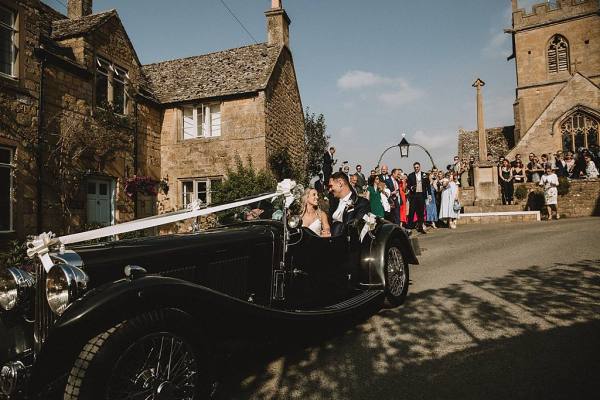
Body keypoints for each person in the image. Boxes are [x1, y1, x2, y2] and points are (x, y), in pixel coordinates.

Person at [407, 162, 430, 233]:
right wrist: (411, 187)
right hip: (414, 195)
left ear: (420, 167)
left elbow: (428, 185)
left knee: (421, 212)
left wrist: (429, 194)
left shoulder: (424, 174)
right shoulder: (410, 175)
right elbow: (408, 185)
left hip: (421, 195)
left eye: (417, 167)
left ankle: (422, 226)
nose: (416, 168)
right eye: (415, 167)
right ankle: (409, 228)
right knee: (411, 212)